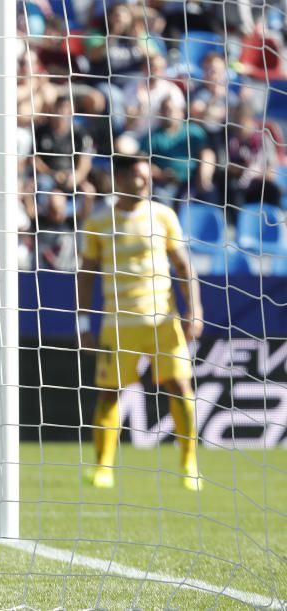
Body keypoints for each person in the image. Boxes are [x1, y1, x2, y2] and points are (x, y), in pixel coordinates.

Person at [77, 152, 204, 492]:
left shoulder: (163, 215)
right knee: (109, 395)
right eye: (138, 175)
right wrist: (82, 324)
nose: (146, 181)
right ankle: (103, 468)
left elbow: (183, 266)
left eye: (147, 175)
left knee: (180, 388)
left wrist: (195, 310)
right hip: (118, 326)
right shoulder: (98, 221)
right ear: (119, 179)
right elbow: (86, 274)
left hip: (164, 322)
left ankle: (189, 462)